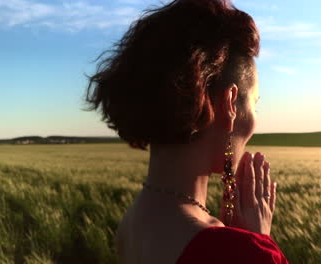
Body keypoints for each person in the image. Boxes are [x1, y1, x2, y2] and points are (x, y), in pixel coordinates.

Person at [85, 0, 290, 263]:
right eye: (255, 104)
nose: (254, 119)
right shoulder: (238, 252)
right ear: (229, 105)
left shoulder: (134, 220)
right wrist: (259, 243)